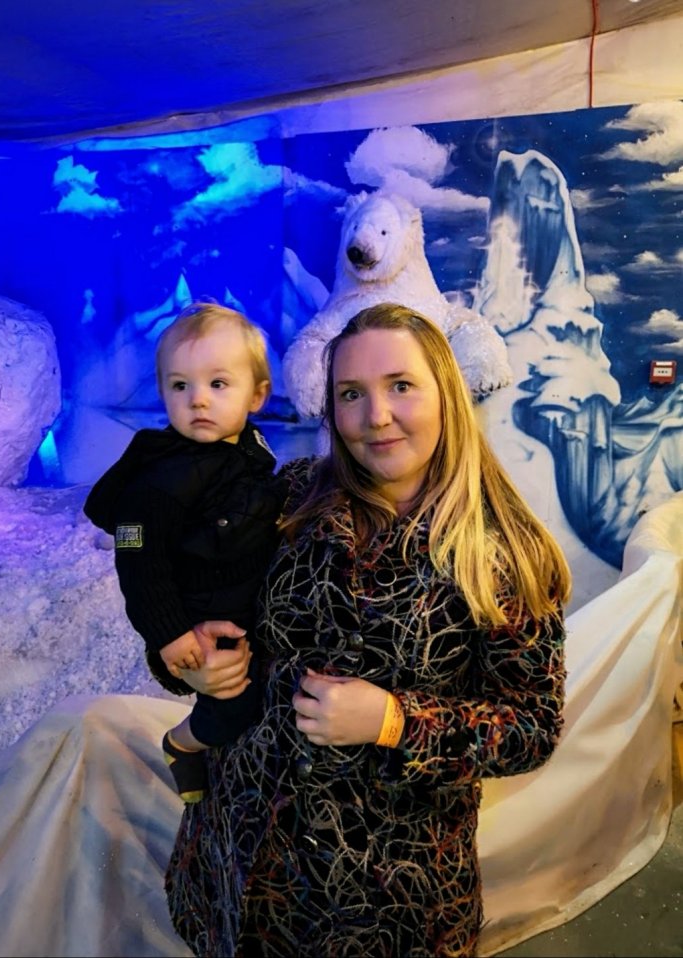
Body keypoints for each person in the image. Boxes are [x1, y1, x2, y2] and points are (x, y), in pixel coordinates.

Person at [160, 302, 572, 957]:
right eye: (351, 393)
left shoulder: (501, 551)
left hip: (387, 902)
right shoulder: (290, 496)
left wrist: (393, 721)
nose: (376, 416)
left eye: (400, 386)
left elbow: (531, 726)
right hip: (242, 867)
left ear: (446, 394)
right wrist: (193, 661)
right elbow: (200, 595)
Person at [83, 302, 287, 801]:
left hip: (245, 595)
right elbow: (136, 557)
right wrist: (168, 633)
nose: (198, 400)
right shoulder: (159, 481)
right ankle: (183, 744)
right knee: (232, 705)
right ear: (163, 392)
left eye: (218, 384)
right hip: (205, 611)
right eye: (180, 386)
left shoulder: (247, 446)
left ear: (257, 395)